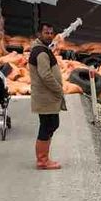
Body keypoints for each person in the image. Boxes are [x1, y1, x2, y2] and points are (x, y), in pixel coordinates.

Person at [29, 21, 67, 170]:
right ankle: (42, 160)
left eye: (51, 33)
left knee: (52, 124)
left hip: (48, 96)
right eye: (46, 33)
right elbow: (45, 75)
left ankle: (44, 158)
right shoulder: (41, 52)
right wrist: (58, 89)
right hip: (46, 96)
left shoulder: (43, 49)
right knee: (47, 125)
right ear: (39, 34)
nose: (50, 35)